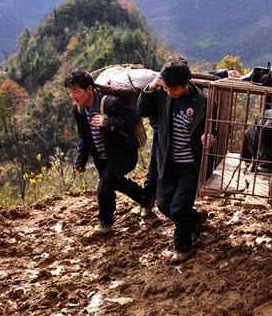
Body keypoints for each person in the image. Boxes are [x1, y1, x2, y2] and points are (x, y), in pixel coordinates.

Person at [137, 55, 212, 262]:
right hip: (167, 161)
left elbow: (212, 126)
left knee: (179, 207)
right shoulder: (163, 94)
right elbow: (141, 110)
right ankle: (195, 219)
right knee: (163, 205)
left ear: (186, 84)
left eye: (174, 90)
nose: (171, 93)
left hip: (189, 164)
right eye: (167, 89)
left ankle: (183, 248)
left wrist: (209, 136)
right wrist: (153, 86)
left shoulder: (201, 101)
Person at [65, 69, 146, 237]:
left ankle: (105, 223)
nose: (73, 95)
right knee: (116, 182)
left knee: (104, 188)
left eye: (76, 91)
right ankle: (146, 198)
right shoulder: (78, 108)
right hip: (101, 156)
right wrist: (80, 159)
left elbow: (134, 116)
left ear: (89, 89)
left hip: (122, 153)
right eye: (70, 91)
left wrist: (108, 122)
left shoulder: (110, 103)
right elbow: (84, 135)